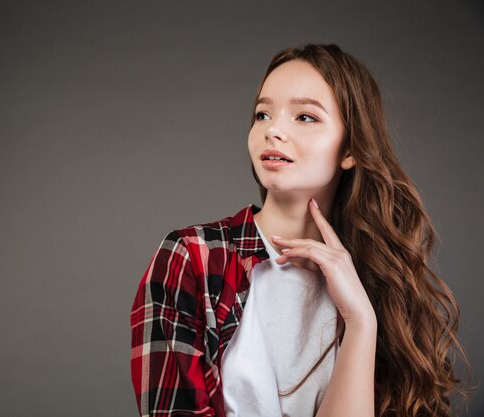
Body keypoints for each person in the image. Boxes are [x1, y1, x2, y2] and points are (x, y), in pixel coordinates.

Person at [129, 43, 471, 417]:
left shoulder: (377, 284)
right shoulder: (192, 257)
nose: (273, 130)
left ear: (350, 148)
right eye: (263, 114)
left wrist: (360, 322)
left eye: (305, 117)